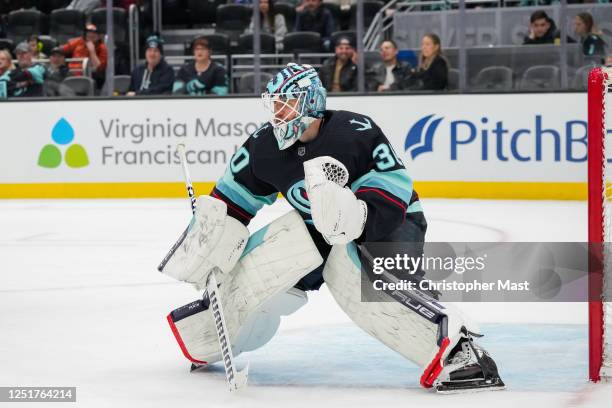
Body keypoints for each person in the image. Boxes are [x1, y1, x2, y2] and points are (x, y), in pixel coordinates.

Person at [160, 63, 505, 393]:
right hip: (318, 230)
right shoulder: (264, 146)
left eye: (287, 103)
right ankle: (207, 335)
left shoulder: (355, 131)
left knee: (366, 279)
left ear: (311, 102)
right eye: (275, 104)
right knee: (267, 262)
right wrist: (210, 238)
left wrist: (356, 216)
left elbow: (393, 186)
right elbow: (232, 200)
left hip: (388, 221)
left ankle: (460, 352)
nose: (278, 113)